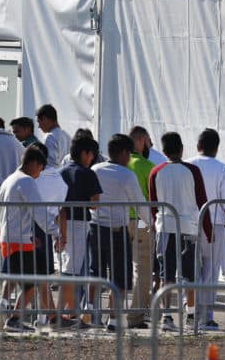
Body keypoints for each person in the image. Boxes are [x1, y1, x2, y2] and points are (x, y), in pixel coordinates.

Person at [0, 144, 65, 332]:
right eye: (40, 169)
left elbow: (7, 212)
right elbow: (39, 212)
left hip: (10, 238)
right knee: (34, 279)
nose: (39, 174)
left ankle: (10, 309)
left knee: (28, 276)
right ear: (34, 163)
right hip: (19, 240)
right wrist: (56, 232)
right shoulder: (26, 182)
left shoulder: (9, 180)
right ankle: (15, 319)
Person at [148, 132, 212, 331]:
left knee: (167, 274)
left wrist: (155, 223)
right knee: (190, 275)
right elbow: (203, 201)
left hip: (165, 226)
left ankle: (166, 316)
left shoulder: (156, 171)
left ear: (164, 150)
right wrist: (208, 231)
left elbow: (153, 204)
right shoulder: (192, 171)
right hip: (189, 228)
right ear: (182, 148)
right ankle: (191, 315)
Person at [91, 134, 146, 330]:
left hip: (95, 228)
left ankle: (92, 314)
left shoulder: (95, 169)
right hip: (117, 230)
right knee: (120, 277)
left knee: (95, 274)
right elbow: (140, 204)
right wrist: (151, 224)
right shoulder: (126, 175)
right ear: (123, 153)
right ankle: (113, 319)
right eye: (129, 154)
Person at [189, 129, 225, 330]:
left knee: (191, 271)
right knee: (210, 271)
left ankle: (191, 314)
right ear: (217, 148)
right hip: (216, 225)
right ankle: (206, 317)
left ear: (198, 145)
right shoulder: (222, 170)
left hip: (189, 224)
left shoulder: (188, 164)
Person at [57, 134, 103, 328]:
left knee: (67, 270)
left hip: (60, 221)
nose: (92, 158)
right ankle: (63, 314)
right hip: (78, 223)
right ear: (85, 153)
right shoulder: (87, 173)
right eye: (91, 154)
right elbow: (95, 203)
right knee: (72, 272)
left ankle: (68, 313)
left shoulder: (60, 172)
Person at [126, 126, 156, 324]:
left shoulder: (121, 164)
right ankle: (136, 314)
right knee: (143, 270)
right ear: (142, 140)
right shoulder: (147, 166)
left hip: (117, 221)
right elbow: (154, 198)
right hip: (141, 223)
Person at [36, 104, 70, 169]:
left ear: (45, 119)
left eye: (39, 122)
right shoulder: (67, 136)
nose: (39, 126)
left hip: (54, 176)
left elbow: (50, 165)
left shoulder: (50, 137)